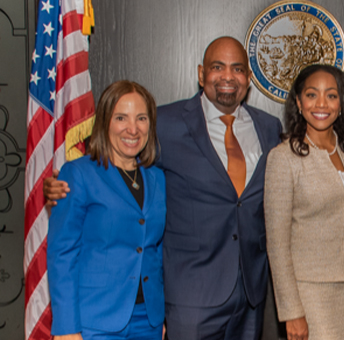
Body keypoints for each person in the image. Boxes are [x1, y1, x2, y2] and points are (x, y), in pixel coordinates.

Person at [44, 37, 282, 340]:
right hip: (190, 298)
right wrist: (59, 186)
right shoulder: (166, 123)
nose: (227, 76)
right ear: (200, 74)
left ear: (248, 79)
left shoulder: (270, 127)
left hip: (249, 294)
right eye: (217, 67)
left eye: (237, 69)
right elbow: (116, 156)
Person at [47, 80, 166, 340]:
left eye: (142, 118)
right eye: (121, 117)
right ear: (104, 122)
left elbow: (154, 249)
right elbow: (62, 255)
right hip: (94, 321)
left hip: (149, 321)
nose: (132, 129)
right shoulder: (78, 174)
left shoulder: (158, 179)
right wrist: (67, 328)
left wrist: (160, 316)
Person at [264, 64, 344, 340]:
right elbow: (276, 244)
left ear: (341, 103)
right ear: (299, 102)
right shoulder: (283, 158)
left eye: (331, 95)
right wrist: (291, 310)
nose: (321, 104)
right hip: (309, 292)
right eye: (312, 95)